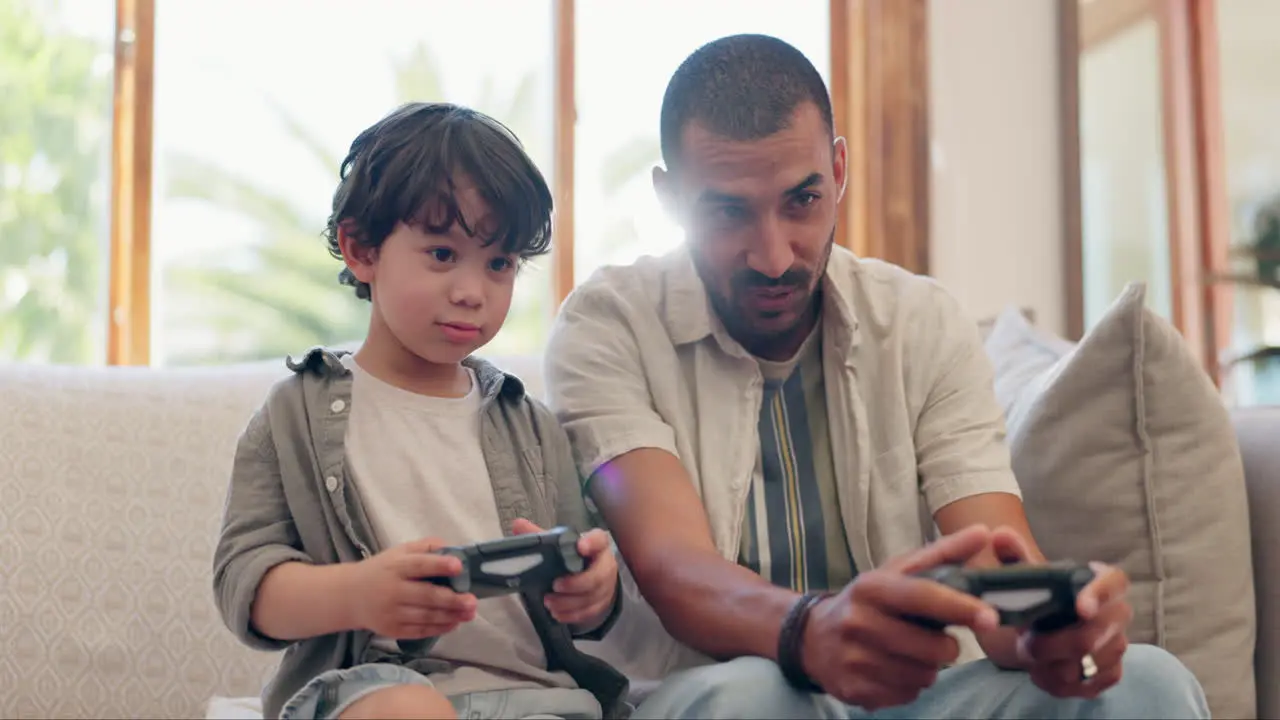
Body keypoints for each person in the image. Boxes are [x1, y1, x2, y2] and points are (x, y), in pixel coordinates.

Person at [544, 34, 1210, 720]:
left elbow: (992, 555)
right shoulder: (607, 325)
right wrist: (814, 630)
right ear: (669, 197)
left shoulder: (921, 322)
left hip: (916, 698)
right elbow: (673, 569)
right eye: (728, 212)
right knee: (748, 698)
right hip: (716, 688)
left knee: (1149, 683)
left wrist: (1051, 631)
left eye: (801, 201)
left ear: (838, 170)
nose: (774, 257)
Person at [212, 103, 628, 720]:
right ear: (361, 250)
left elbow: (586, 582)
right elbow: (245, 583)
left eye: (499, 264)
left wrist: (595, 589)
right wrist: (358, 594)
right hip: (372, 691)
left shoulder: (530, 424)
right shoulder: (295, 413)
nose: (472, 290)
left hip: (540, 697)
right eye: (441, 254)